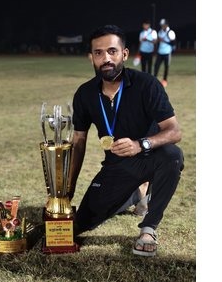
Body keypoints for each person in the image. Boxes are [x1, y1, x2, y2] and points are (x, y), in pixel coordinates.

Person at [69, 24, 184, 257]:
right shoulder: (85, 94)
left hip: (149, 158)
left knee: (172, 156)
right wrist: (67, 191)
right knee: (81, 223)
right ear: (91, 57)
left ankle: (148, 228)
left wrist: (140, 145)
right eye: (99, 53)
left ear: (124, 54)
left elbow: (174, 131)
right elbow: (78, 141)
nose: (106, 58)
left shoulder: (146, 84)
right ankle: (136, 194)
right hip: (116, 166)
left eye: (112, 51)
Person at [153, 18, 176, 87]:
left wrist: (164, 41)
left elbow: (173, 43)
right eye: (161, 25)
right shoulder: (160, 32)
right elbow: (158, 41)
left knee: (166, 67)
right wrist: (158, 41)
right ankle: (154, 80)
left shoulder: (171, 32)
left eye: (163, 25)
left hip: (167, 53)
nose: (162, 26)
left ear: (166, 25)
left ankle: (164, 80)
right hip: (160, 52)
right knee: (156, 66)